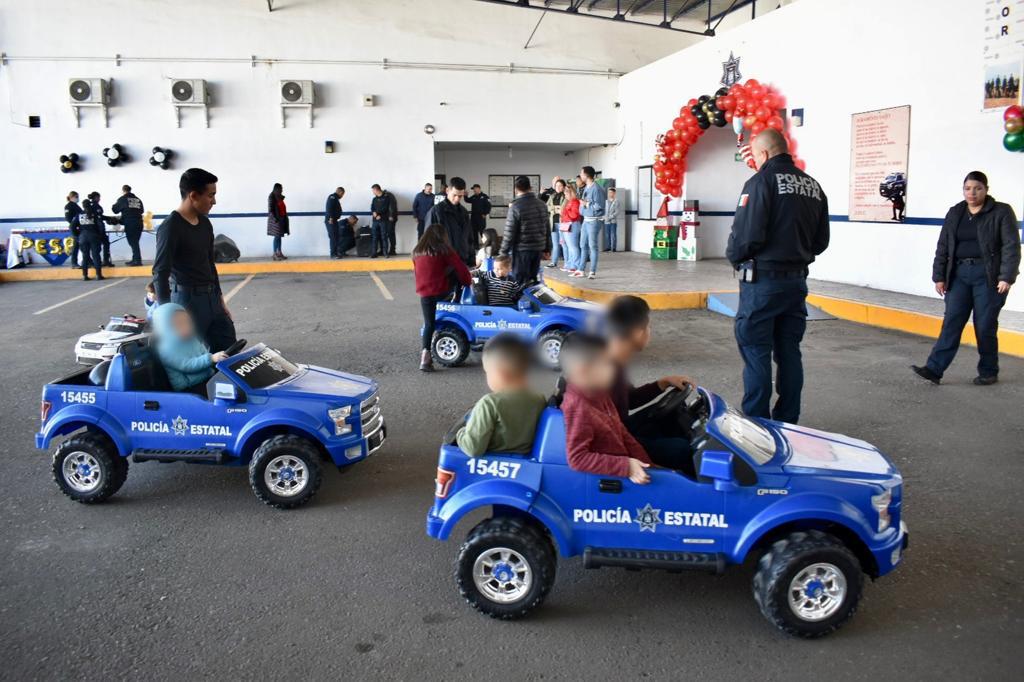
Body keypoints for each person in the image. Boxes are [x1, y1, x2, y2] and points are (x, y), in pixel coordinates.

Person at [726, 128, 830, 424]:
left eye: (756, 157)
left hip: (763, 282)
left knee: (756, 349)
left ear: (764, 153)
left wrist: (734, 256)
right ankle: (787, 421)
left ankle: (757, 424)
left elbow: (746, 236)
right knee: (789, 352)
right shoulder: (813, 186)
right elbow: (821, 242)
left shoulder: (760, 182)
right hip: (796, 282)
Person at [912, 171, 1020, 386]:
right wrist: (939, 276)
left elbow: (1011, 246)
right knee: (951, 322)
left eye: (978, 188)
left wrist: (1006, 276)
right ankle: (934, 369)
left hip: (988, 277)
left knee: (985, 325)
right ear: (963, 190)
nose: (972, 193)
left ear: (986, 190)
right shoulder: (956, 212)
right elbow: (943, 245)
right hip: (958, 275)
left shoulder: (1001, 212)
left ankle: (988, 371)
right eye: (968, 188)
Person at [152, 168, 238, 353]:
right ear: (193, 196)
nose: (214, 201)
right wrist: (168, 315)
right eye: (210, 195)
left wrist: (220, 300)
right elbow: (160, 272)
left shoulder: (205, 223)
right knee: (192, 357)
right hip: (187, 302)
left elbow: (210, 264)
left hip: (212, 299)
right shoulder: (170, 227)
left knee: (229, 351)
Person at [605, 295, 695, 469]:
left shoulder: (613, 360)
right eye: (648, 327)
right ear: (637, 332)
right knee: (683, 450)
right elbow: (605, 437)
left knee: (673, 415)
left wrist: (663, 383)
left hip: (620, 428)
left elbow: (629, 399)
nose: (649, 331)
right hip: (614, 442)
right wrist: (640, 461)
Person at [560, 333, 653, 484]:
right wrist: (626, 466)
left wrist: (649, 465)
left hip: (625, 461)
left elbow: (621, 431)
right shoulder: (577, 407)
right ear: (584, 371)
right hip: (612, 480)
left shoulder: (599, 392)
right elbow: (577, 458)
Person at [455, 333, 546, 457]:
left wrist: (460, 433)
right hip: (525, 462)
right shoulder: (539, 400)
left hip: (490, 463)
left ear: (500, 374)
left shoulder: (489, 404)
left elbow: (473, 448)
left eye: (487, 372)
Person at [413, 223, 472, 372]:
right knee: (456, 271)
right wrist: (467, 282)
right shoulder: (445, 250)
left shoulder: (417, 251)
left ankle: (425, 358)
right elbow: (462, 271)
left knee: (429, 324)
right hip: (442, 292)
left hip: (424, 294)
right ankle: (456, 303)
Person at [152, 303, 229, 393]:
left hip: (206, 378)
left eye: (187, 322)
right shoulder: (166, 349)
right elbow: (187, 365)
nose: (186, 327)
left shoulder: (192, 339)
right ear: (165, 328)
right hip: (190, 387)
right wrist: (211, 358)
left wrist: (216, 359)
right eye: (180, 324)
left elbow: (203, 353)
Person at [499, 175, 551, 285]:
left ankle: (522, 296)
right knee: (532, 280)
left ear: (515, 189)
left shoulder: (516, 206)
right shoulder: (542, 205)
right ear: (530, 187)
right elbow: (547, 228)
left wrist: (503, 252)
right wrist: (547, 248)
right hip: (537, 249)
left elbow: (509, 232)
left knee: (520, 282)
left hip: (522, 250)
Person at [428, 176, 475, 266]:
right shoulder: (436, 212)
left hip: (462, 261)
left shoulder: (464, 213)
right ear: (447, 191)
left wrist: (472, 260)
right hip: (444, 263)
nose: (457, 199)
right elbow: (429, 242)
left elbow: (469, 238)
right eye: (454, 195)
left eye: (460, 196)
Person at [578, 166, 606, 279]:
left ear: (586, 175)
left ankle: (592, 272)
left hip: (594, 221)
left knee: (592, 246)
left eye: (581, 173)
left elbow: (600, 205)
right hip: (586, 220)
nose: (580, 175)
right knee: (582, 245)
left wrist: (586, 204)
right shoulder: (586, 187)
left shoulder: (597, 189)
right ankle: (581, 270)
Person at [112, 184, 145, 266]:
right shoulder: (137, 199)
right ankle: (135, 259)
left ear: (123, 191)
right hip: (139, 222)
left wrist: (114, 206)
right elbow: (142, 210)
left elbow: (115, 210)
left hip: (130, 223)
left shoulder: (122, 199)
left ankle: (137, 260)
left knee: (133, 242)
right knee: (135, 242)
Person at [76, 196, 106, 281]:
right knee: (96, 256)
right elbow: (101, 226)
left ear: (83, 206)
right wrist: (100, 235)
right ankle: (98, 275)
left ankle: (85, 275)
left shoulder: (79, 215)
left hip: (83, 238)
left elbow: (72, 226)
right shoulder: (94, 214)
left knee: (85, 256)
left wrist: (77, 236)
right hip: (94, 237)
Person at [559, 183, 583, 277]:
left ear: (571, 192)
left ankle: (576, 265)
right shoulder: (569, 202)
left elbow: (574, 215)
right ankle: (571, 264)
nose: (565, 194)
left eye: (566, 192)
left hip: (573, 225)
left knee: (573, 246)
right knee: (569, 247)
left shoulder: (575, 202)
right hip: (567, 224)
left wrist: (565, 211)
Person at [542, 178, 566, 268]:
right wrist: (555, 209)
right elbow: (546, 207)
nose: (558, 187)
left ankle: (567, 263)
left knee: (563, 244)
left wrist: (554, 209)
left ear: (563, 187)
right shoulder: (552, 196)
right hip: (553, 222)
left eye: (560, 186)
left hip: (562, 223)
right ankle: (553, 262)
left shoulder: (566, 196)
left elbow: (562, 209)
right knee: (555, 244)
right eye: (556, 186)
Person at [370, 184, 398, 257]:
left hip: (384, 220)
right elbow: (372, 207)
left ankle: (386, 252)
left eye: (373, 191)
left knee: (384, 236)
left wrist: (378, 214)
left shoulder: (387, 198)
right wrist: (374, 212)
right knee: (375, 237)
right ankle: (374, 253)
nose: (373, 192)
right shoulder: (374, 199)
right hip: (375, 220)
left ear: (376, 190)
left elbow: (386, 208)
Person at [268, 183, 289, 261]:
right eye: (281, 188)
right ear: (277, 188)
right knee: (276, 237)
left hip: (281, 219)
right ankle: (274, 254)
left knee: (279, 236)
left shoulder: (279, 197)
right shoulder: (272, 196)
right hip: (275, 220)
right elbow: (271, 210)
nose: (282, 190)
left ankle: (279, 252)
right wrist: (276, 219)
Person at [324, 186, 345, 258]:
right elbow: (329, 208)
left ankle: (336, 252)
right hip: (331, 220)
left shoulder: (335, 198)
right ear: (340, 192)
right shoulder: (332, 197)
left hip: (334, 220)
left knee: (336, 237)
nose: (342, 196)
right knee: (333, 237)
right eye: (342, 194)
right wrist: (330, 218)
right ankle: (333, 254)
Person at [64, 191, 82, 269]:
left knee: (82, 245)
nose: (78, 198)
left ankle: (88, 261)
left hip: (79, 227)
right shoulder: (68, 206)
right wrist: (75, 225)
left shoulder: (75, 205)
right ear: (72, 197)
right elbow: (68, 218)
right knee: (76, 246)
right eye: (76, 197)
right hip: (74, 228)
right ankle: (74, 263)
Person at [604, 187, 621, 252]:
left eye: (611, 192)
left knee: (613, 235)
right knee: (607, 235)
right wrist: (604, 217)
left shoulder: (616, 202)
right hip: (606, 221)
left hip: (613, 221)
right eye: (609, 193)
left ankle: (613, 248)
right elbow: (605, 211)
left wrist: (610, 217)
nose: (610, 194)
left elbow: (617, 212)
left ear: (614, 193)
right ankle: (608, 247)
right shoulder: (606, 201)